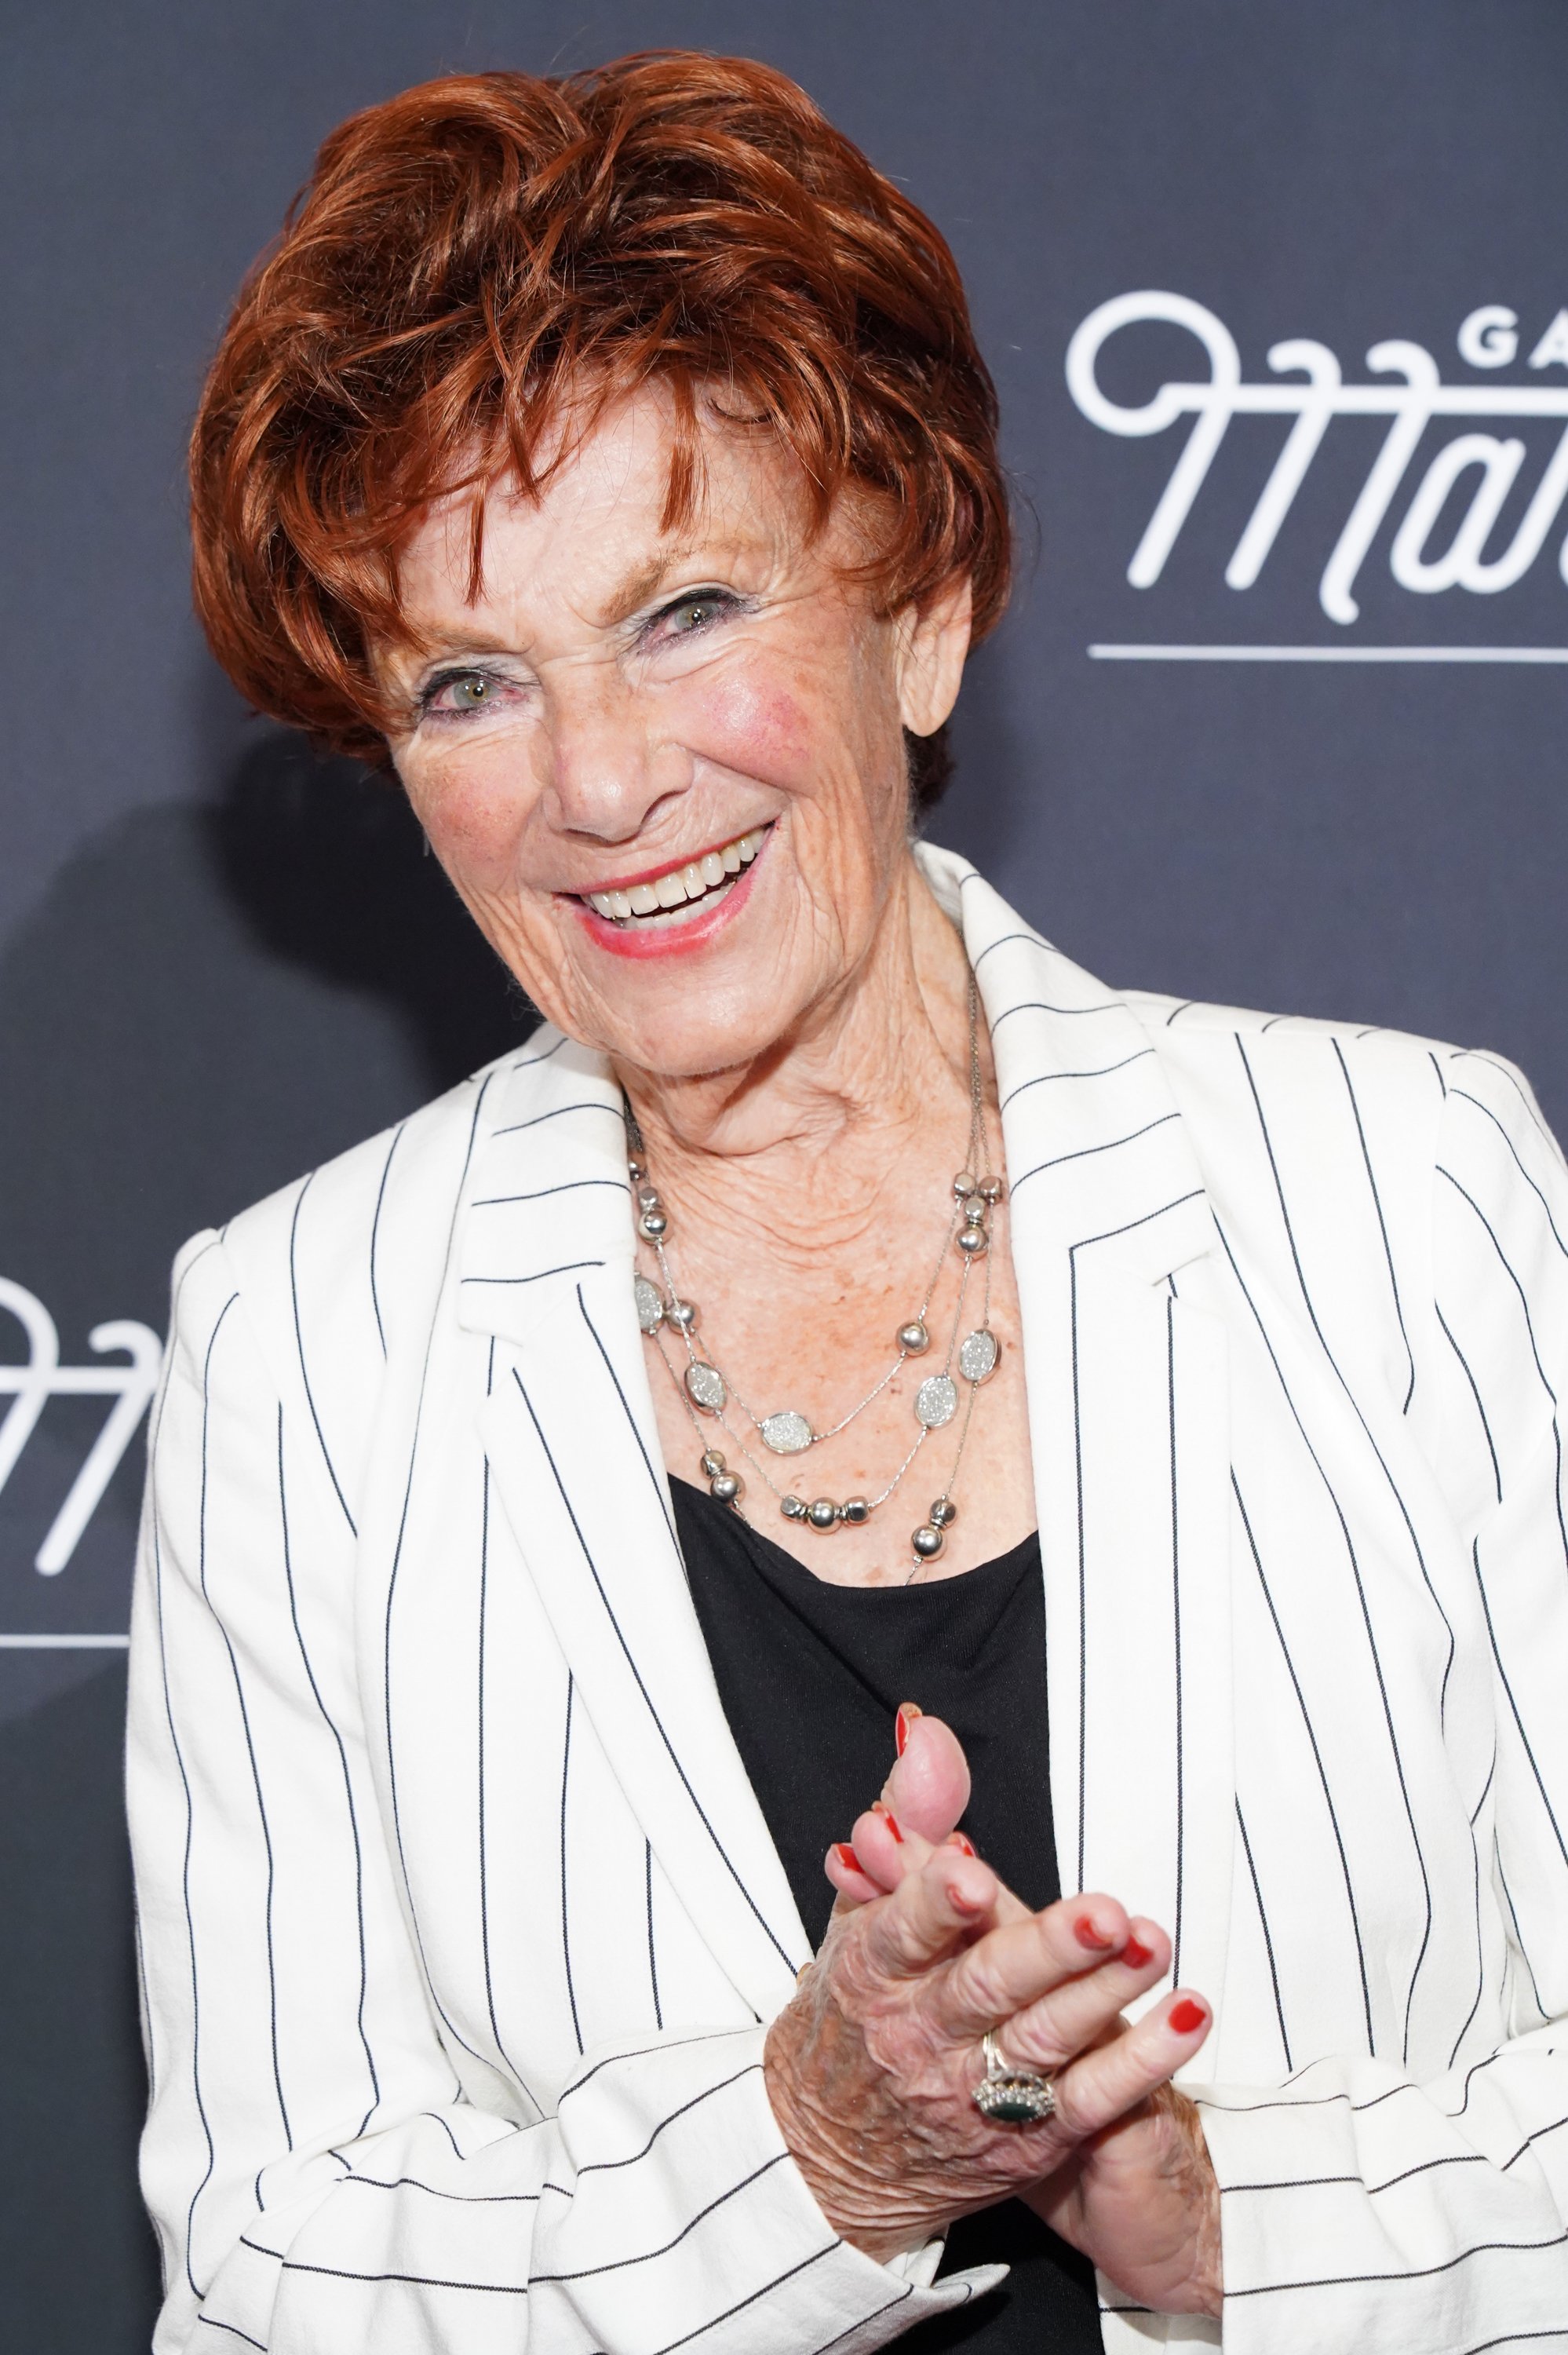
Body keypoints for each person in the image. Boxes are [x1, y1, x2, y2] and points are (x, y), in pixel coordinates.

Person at [128, 50, 1568, 2355]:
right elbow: (272, 2269)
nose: (597, 782)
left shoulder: (1415, 1201)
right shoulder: (307, 1346)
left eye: (687, 609)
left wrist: (1241, 2234)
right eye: (471, 679)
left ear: (920, 609)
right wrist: (808, 2159)